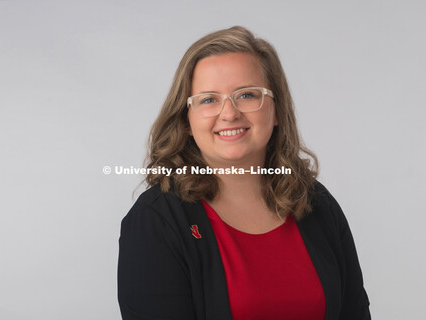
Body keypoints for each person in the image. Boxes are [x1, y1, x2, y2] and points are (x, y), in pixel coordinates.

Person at [117, 26, 371, 320]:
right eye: (208, 99)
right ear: (186, 120)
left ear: (276, 111)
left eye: (247, 95)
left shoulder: (317, 204)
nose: (229, 113)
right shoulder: (156, 220)